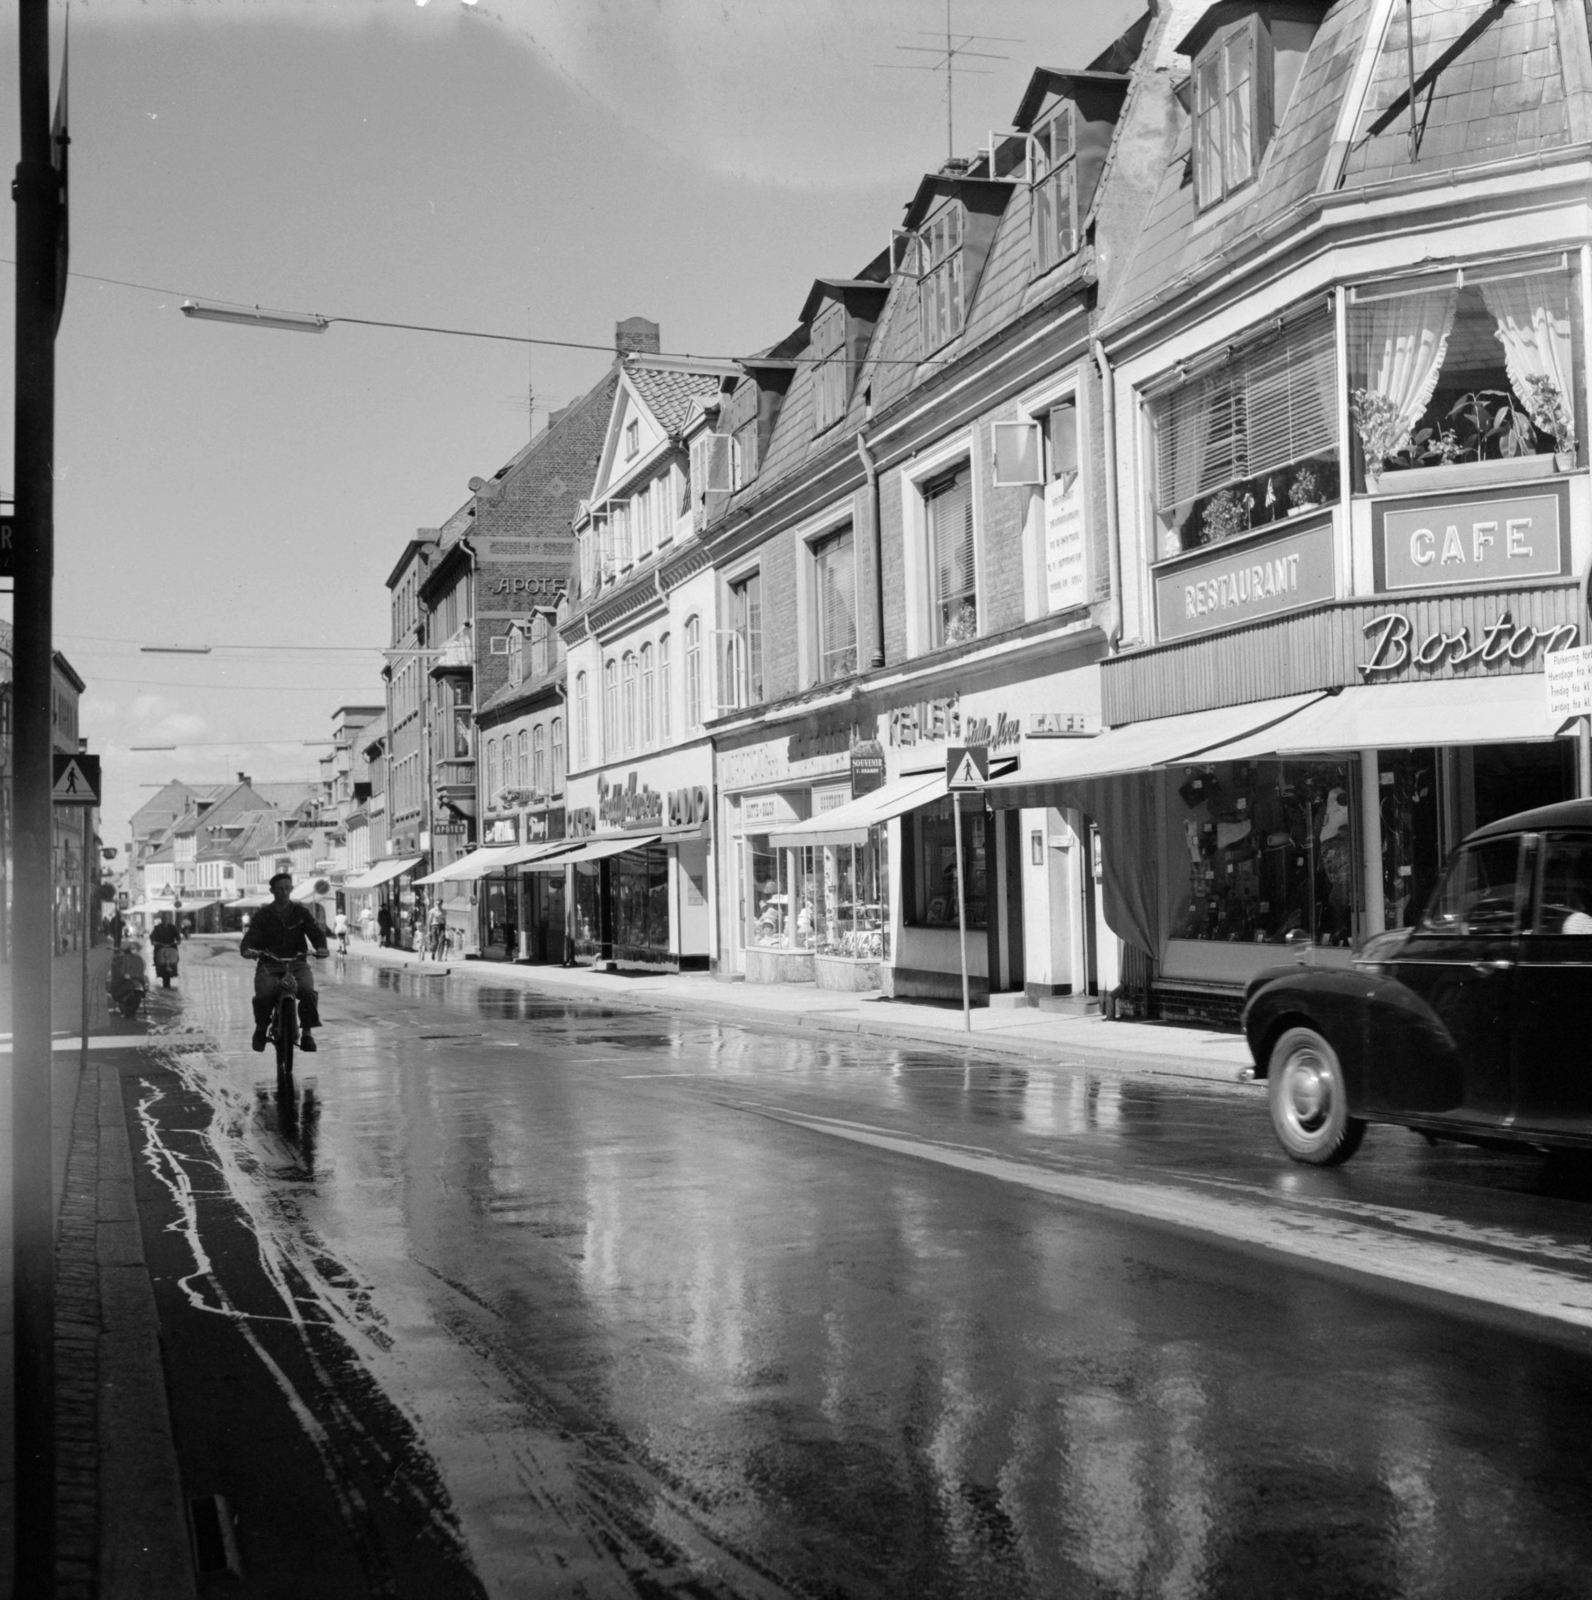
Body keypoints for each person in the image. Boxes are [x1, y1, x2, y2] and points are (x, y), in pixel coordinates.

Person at [239, 872, 329, 1052]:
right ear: (272, 891)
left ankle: (307, 1034)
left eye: (287, 888)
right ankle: (261, 1028)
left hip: (297, 962)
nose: (284, 892)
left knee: (307, 991)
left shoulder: (300, 912)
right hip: (269, 963)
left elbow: (314, 931)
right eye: (279, 889)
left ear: (291, 889)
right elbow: (252, 936)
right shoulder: (263, 915)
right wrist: (248, 949)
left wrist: (321, 947)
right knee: (264, 994)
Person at [150, 912, 182, 985]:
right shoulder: (157, 928)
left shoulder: (172, 927)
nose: (165, 920)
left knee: (176, 956)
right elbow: (152, 936)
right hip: (161, 946)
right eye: (164, 919)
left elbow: (177, 936)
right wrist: (153, 941)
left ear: (169, 919)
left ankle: (175, 966)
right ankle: (156, 963)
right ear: (162, 919)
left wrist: (178, 941)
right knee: (156, 953)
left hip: (171, 946)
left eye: (166, 918)